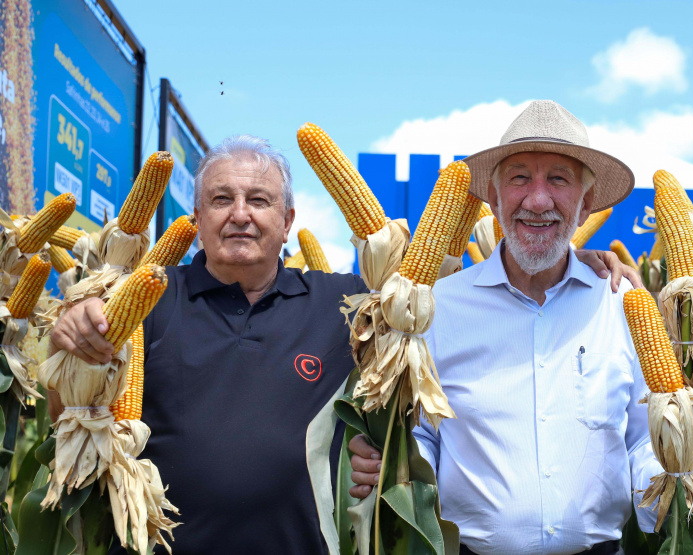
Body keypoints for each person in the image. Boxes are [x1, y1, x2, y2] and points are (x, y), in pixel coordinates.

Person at [48, 134, 640, 553]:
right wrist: (68, 328)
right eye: (221, 200)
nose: (240, 216)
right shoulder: (147, 301)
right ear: (195, 215)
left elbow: (413, 319)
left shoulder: (346, 304)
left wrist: (575, 264)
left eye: (258, 201)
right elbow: (72, 408)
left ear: (288, 219)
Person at [349, 101, 693, 555]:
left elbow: (641, 439)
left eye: (558, 179)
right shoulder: (437, 308)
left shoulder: (622, 306)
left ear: (585, 202)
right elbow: (421, 437)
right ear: (493, 200)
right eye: (518, 178)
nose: (537, 200)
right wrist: (384, 461)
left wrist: (684, 489)